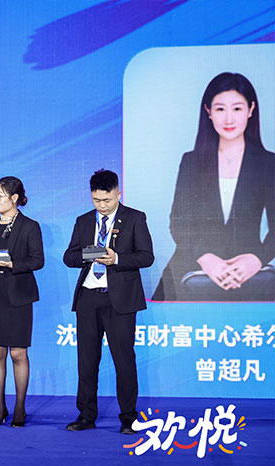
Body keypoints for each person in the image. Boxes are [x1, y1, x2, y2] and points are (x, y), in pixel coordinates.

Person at [153, 72, 275, 301]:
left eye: (237, 109)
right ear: (208, 111)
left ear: (250, 110)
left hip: (247, 268)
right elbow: (178, 222)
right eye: (220, 109)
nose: (229, 119)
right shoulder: (191, 161)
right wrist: (206, 258)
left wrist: (257, 259)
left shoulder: (269, 163)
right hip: (193, 261)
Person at [63, 169, 153, 434]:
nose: (102, 206)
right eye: (96, 200)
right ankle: (86, 415)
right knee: (86, 360)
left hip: (120, 300)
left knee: (124, 360)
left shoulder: (135, 218)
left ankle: (128, 418)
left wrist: (116, 259)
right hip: (88, 298)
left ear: (118, 193)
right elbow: (69, 257)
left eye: (107, 200)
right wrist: (90, 254)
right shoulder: (83, 221)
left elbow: (146, 256)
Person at [0, 176, 43, 427]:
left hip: (18, 295)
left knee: (17, 353)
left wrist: (12, 263)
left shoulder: (29, 226)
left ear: (14, 198)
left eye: (0, 196)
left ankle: (19, 408)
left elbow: (37, 260)